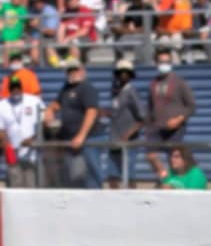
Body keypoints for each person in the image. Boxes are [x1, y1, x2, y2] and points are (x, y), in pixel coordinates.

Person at [42, 59, 105, 187]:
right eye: (69, 70)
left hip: (89, 138)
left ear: (82, 70)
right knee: (72, 175)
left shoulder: (86, 88)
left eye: (75, 69)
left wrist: (81, 135)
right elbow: (57, 103)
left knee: (92, 172)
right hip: (71, 139)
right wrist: (49, 110)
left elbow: (91, 112)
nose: (72, 73)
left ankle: (97, 201)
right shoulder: (66, 88)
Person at [145, 48, 195, 182]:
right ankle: (164, 177)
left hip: (175, 129)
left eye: (167, 61)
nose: (164, 64)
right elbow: (150, 107)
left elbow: (191, 106)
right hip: (157, 127)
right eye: (162, 61)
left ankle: (177, 182)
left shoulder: (179, 82)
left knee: (174, 158)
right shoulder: (153, 83)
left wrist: (179, 119)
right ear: (156, 62)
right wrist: (147, 126)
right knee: (150, 155)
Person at [103, 59, 145, 188]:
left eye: (126, 73)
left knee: (129, 175)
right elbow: (117, 112)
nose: (123, 75)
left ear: (130, 75)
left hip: (128, 141)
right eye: (120, 72)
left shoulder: (131, 92)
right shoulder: (115, 92)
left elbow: (142, 118)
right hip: (114, 139)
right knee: (112, 175)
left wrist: (128, 134)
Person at [0, 75, 44, 187]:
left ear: (21, 87)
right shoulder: (3, 105)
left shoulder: (34, 101)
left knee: (31, 184)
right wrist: (7, 145)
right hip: (13, 153)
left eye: (18, 87)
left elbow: (44, 121)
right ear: (9, 89)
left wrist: (32, 138)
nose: (16, 90)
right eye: (13, 88)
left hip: (32, 152)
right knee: (15, 184)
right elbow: (1, 129)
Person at [54, 0, 96, 66]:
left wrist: (68, 38)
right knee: (48, 44)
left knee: (74, 42)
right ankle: (56, 64)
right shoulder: (66, 12)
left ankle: (74, 65)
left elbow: (85, 31)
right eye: (70, 1)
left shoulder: (85, 11)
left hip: (86, 38)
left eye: (74, 0)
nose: (72, 2)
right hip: (68, 39)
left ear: (78, 0)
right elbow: (62, 27)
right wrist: (60, 41)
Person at [27, 0, 58, 67]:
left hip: (48, 38)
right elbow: (27, 27)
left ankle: (56, 66)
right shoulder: (31, 10)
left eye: (40, 1)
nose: (37, 4)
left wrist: (37, 26)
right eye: (35, 2)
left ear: (44, 2)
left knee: (43, 45)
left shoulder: (50, 11)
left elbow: (51, 32)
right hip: (33, 38)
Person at [1, 0, 29, 67]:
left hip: (17, 38)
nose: (17, 1)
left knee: (20, 44)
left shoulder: (22, 10)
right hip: (5, 37)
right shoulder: (5, 6)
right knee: (7, 45)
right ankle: (5, 68)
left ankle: (19, 69)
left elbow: (26, 24)